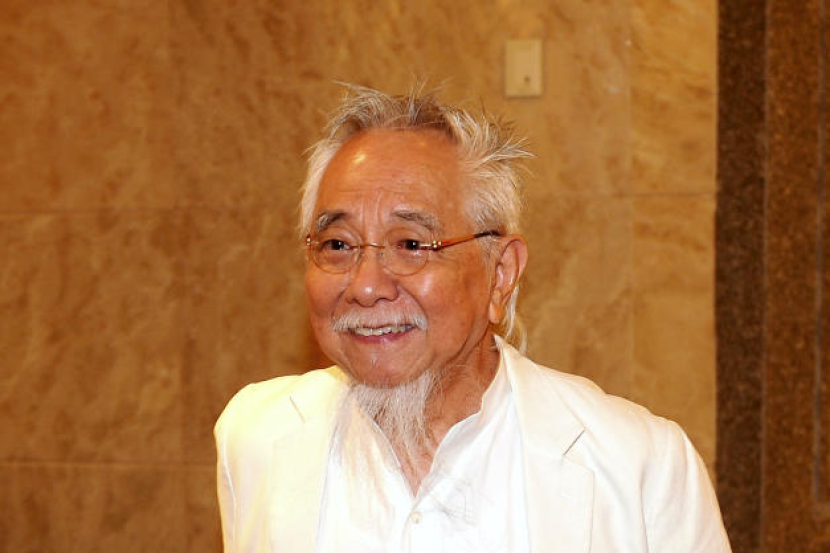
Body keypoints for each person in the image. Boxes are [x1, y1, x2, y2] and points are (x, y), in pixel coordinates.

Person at [214, 85, 731, 552]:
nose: (366, 286)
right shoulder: (255, 437)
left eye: (411, 244)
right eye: (337, 245)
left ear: (500, 274)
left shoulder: (640, 467)